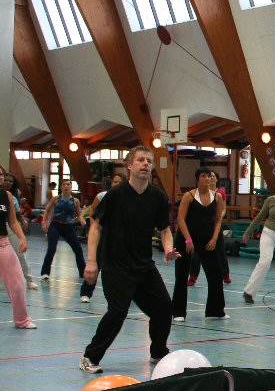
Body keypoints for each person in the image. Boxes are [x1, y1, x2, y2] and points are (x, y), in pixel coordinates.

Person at [79, 146, 180, 373]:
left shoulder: (157, 197)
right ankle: (90, 357)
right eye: (141, 160)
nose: (145, 164)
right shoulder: (115, 195)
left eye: (149, 161)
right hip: (116, 267)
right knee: (117, 312)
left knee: (164, 308)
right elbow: (95, 227)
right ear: (129, 165)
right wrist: (92, 261)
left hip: (144, 267)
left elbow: (165, 230)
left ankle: (158, 352)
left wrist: (168, 249)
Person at [171, 167, 228, 321]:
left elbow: (218, 220)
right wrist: (188, 240)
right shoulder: (189, 196)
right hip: (186, 239)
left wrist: (214, 239)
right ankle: (178, 312)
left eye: (209, 176)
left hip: (207, 239)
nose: (207, 178)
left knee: (215, 273)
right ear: (198, 179)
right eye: (203, 176)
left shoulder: (217, 197)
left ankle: (216, 311)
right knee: (181, 274)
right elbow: (181, 219)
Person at [79, 173, 125, 302]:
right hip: (104, 234)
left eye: (120, 182)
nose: (117, 184)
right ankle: (86, 292)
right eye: (115, 182)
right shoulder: (103, 196)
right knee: (97, 262)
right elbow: (92, 210)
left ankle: (126, 292)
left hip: (120, 237)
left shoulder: (128, 199)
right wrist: (93, 225)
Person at [0, 170, 37, 329]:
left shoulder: (7, 195)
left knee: (18, 283)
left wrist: (23, 238)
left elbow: (13, 222)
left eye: (1, 174)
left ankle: (22, 320)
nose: (0, 177)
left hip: (3, 243)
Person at [188, 170, 231, 286]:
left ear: (216, 179)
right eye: (208, 176)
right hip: (201, 227)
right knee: (196, 253)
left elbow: (223, 209)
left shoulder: (220, 193)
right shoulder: (197, 193)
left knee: (220, 252)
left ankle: (225, 275)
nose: (210, 178)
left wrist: (219, 217)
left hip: (215, 225)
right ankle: (193, 276)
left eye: (212, 176)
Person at [40, 178, 86, 280]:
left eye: (68, 184)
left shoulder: (75, 201)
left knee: (78, 249)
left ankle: (83, 272)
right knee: (51, 248)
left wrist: (82, 221)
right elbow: (46, 210)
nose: (66, 186)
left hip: (68, 226)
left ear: (71, 187)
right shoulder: (56, 199)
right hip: (55, 225)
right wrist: (44, 222)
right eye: (64, 184)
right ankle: (45, 272)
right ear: (61, 187)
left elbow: (79, 214)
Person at [2, 173, 39, 290]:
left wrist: (23, 222)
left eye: (10, 181)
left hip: (9, 226)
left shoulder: (11, 197)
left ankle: (29, 280)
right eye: (6, 180)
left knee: (20, 253)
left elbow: (16, 215)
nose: (7, 182)